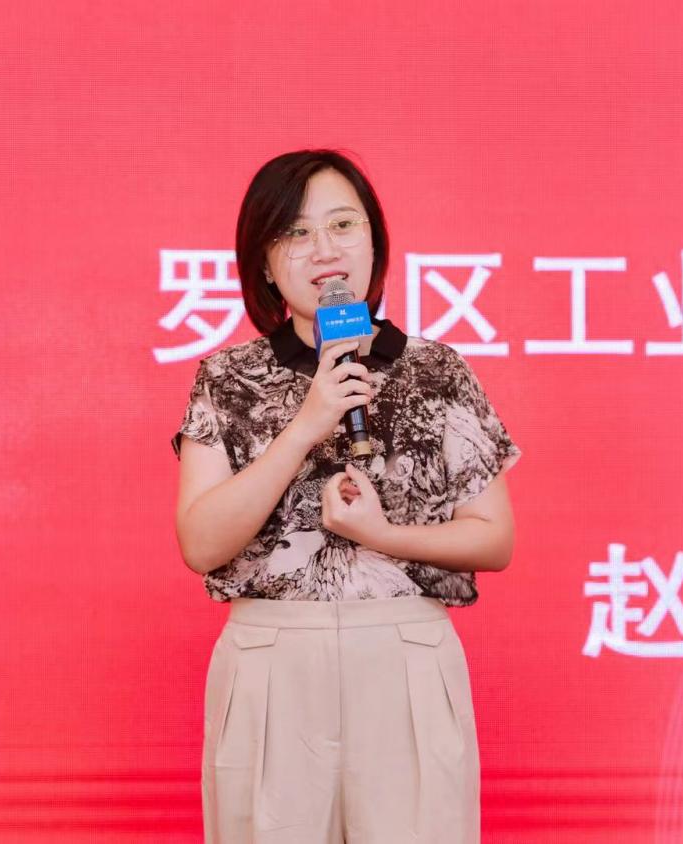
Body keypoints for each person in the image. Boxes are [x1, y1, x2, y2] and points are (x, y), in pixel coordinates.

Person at [173, 149, 519, 843]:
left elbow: (495, 537)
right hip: (274, 659)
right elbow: (201, 543)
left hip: (403, 653)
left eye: (342, 225)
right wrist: (306, 425)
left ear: (374, 242)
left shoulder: (436, 370)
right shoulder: (228, 377)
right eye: (295, 232)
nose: (324, 250)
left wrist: (383, 535)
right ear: (264, 263)